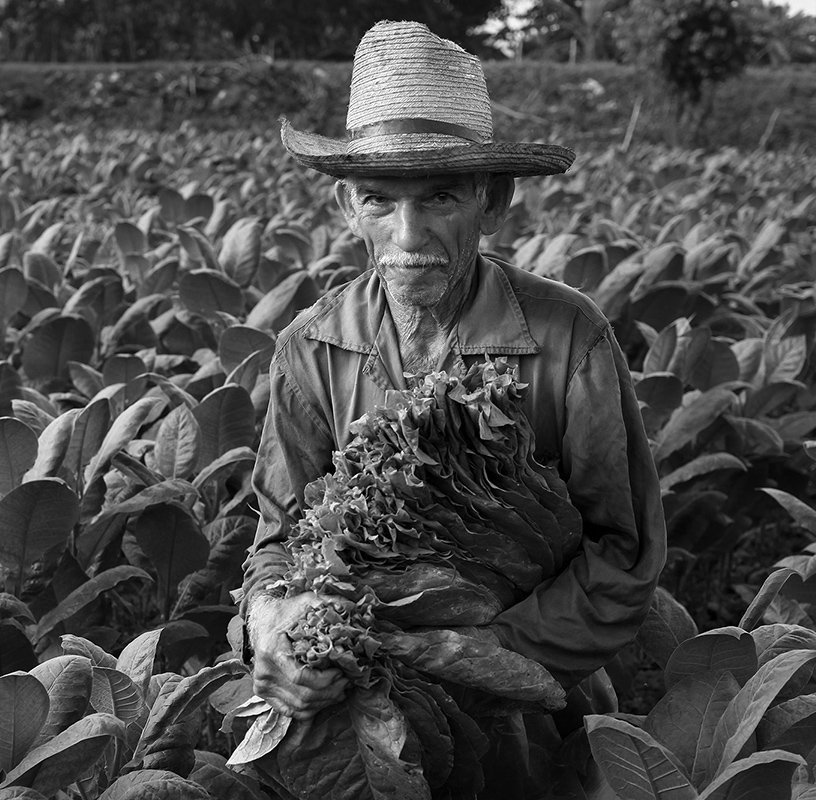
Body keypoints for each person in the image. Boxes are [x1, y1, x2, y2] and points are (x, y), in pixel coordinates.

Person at [238, 20, 666, 799]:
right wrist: (274, 629)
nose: (409, 236)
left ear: (492, 200)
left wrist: (481, 651)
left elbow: (622, 552)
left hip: (536, 703)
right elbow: (278, 541)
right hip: (355, 701)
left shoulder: (572, 337)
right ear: (346, 205)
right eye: (380, 200)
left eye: (440, 196)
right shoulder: (310, 346)